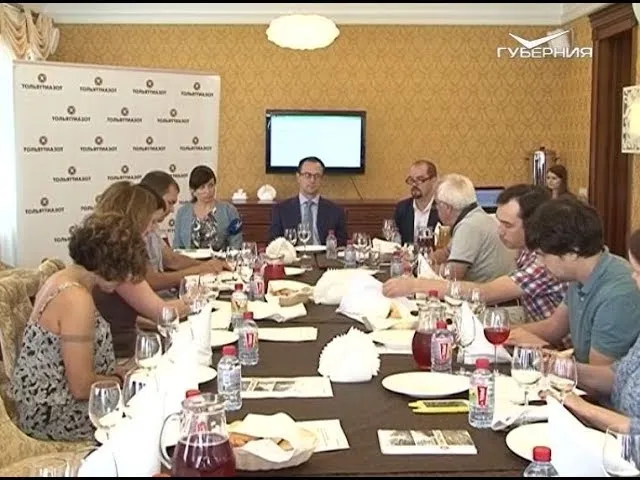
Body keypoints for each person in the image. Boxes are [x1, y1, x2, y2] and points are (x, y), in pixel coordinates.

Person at [11, 213, 148, 441]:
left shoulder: (64, 278)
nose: (126, 279)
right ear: (111, 265)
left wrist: (113, 374)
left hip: (48, 404)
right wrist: (123, 381)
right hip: (55, 414)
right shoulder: (76, 298)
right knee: (149, 415)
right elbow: (82, 387)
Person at [383, 184, 566, 323]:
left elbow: (485, 292)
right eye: (500, 222)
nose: (500, 231)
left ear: (534, 225)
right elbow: (445, 253)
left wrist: (416, 285)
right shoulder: (525, 249)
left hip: (554, 347)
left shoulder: (544, 261)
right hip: (526, 323)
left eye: (508, 225)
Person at [507, 198, 640, 365]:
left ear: (572, 252)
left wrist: (545, 356)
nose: (539, 263)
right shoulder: (581, 274)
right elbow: (555, 326)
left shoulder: (617, 295)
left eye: (542, 255)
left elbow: (600, 372)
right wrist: (503, 333)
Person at [549, 228, 640, 434]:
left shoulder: (618, 293)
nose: (633, 278)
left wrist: (584, 408)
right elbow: (616, 376)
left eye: (638, 272)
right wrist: (557, 367)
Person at [92, 181, 187, 358]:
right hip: (122, 355)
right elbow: (164, 313)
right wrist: (199, 299)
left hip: (127, 344)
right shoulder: (117, 261)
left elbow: (128, 314)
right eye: (151, 222)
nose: (152, 229)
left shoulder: (105, 252)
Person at [139, 170, 227, 294]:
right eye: (170, 203)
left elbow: (171, 259)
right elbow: (152, 281)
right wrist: (200, 269)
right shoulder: (136, 232)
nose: (171, 210)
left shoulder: (153, 227)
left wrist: (207, 265)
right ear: (153, 198)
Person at [427, 173, 515, 282]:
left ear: (447, 208)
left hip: (486, 291)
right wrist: (426, 259)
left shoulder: (468, 227)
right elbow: (446, 252)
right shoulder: (476, 217)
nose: (436, 209)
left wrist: (427, 269)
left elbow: (453, 277)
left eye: (437, 204)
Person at [268, 156, 347, 246]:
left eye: (317, 176)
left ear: (322, 179)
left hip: (325, 254)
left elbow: (341, 245)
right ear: (298, 177)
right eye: (307, 175)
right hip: (293, 254)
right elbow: (274, 243)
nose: (312, 180)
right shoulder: (281, 209)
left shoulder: (335, 211)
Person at [173, 165, 243, 251]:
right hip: (188, 259)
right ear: (193, 191)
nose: (208, 191)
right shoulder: (182, 212)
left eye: (211, 185)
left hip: (221, 259)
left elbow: (236, 243)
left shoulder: (229, 210)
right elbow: (177, 246)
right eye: (202, 187)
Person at [393, 160, 440, 245]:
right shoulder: (402, 208)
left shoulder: (442, 209)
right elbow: (394, 240)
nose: (414, 184)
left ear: (433, 181)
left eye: (420, 179)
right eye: (412, 180)